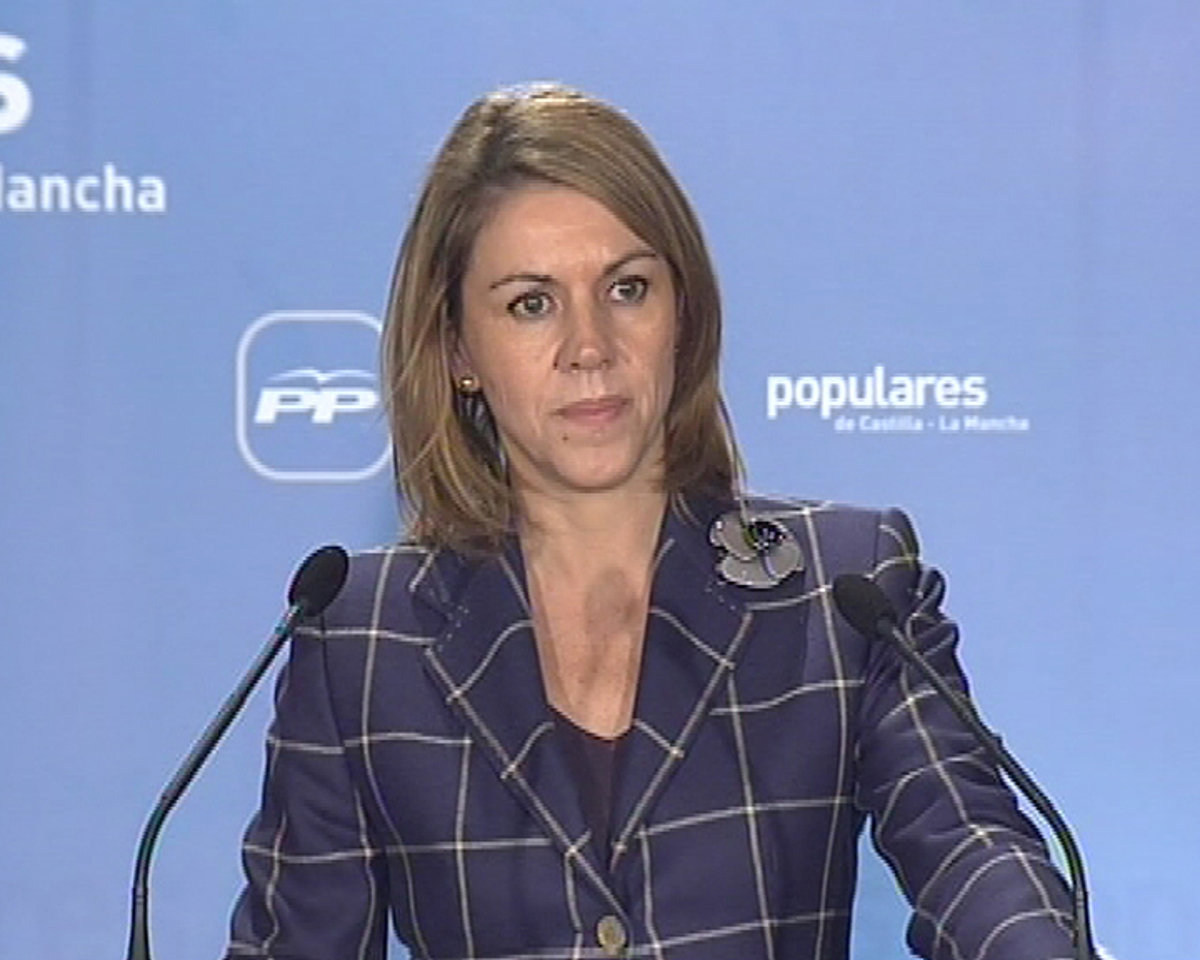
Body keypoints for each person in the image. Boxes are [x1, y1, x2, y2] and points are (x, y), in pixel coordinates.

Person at [225, 83, 1075, 960]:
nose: (590, 347)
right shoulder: (360, 640)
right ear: (457, 349)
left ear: (683, 313)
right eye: (531, 303)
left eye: (627, 289)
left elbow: (974, 852)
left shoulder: (844, 588)